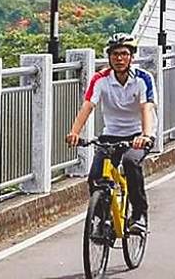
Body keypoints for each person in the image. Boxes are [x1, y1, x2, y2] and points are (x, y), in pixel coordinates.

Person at [66, 33, 157, 234]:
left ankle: (139, 214)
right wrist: (74, 132)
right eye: (115, 54)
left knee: (131, 163)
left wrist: (146, 135)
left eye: (124, 54)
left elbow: (146, 108)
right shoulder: (100, 79)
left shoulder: (143, 78)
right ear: (109, 57)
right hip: (112, 134)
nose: (119, 58)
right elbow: (88, 105)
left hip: (138, 134)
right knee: (95, 177)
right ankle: (102, 220)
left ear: (131, 57)